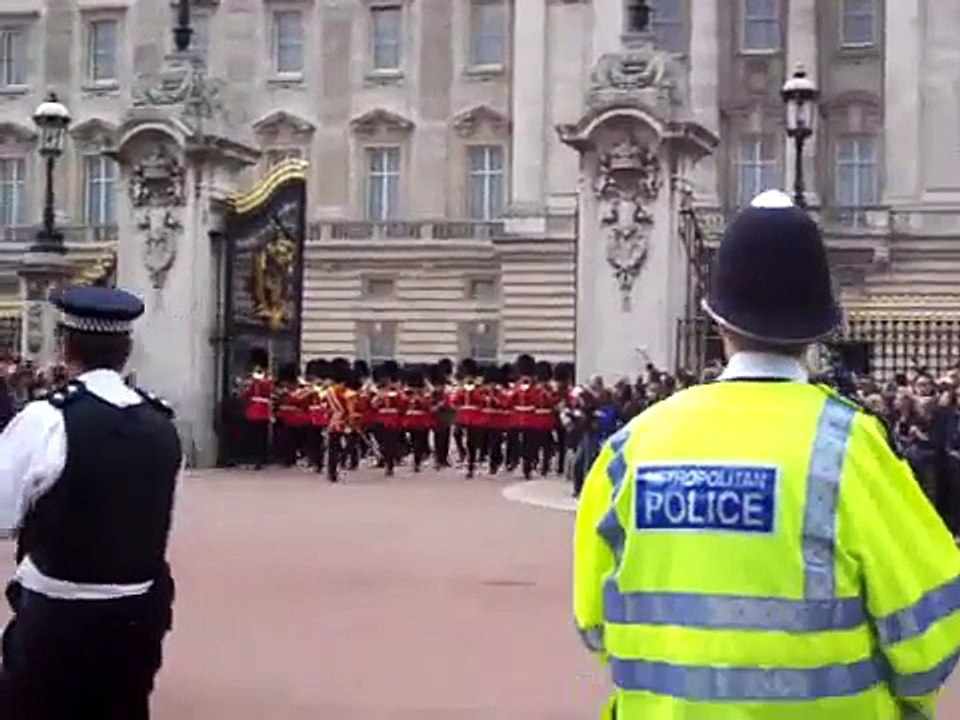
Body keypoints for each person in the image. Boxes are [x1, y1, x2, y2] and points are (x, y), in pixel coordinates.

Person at [573, 191, 960, 720]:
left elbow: (594, 624)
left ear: (716, 320)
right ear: (819, 329)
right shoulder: (851, 447)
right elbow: (930, 636)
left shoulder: (634, 447)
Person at [0, 285, 181, 718]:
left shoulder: (47, 417)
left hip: (57, 613)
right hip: (139, 613)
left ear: (66, 346)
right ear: (127, 350)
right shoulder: (161, 421)